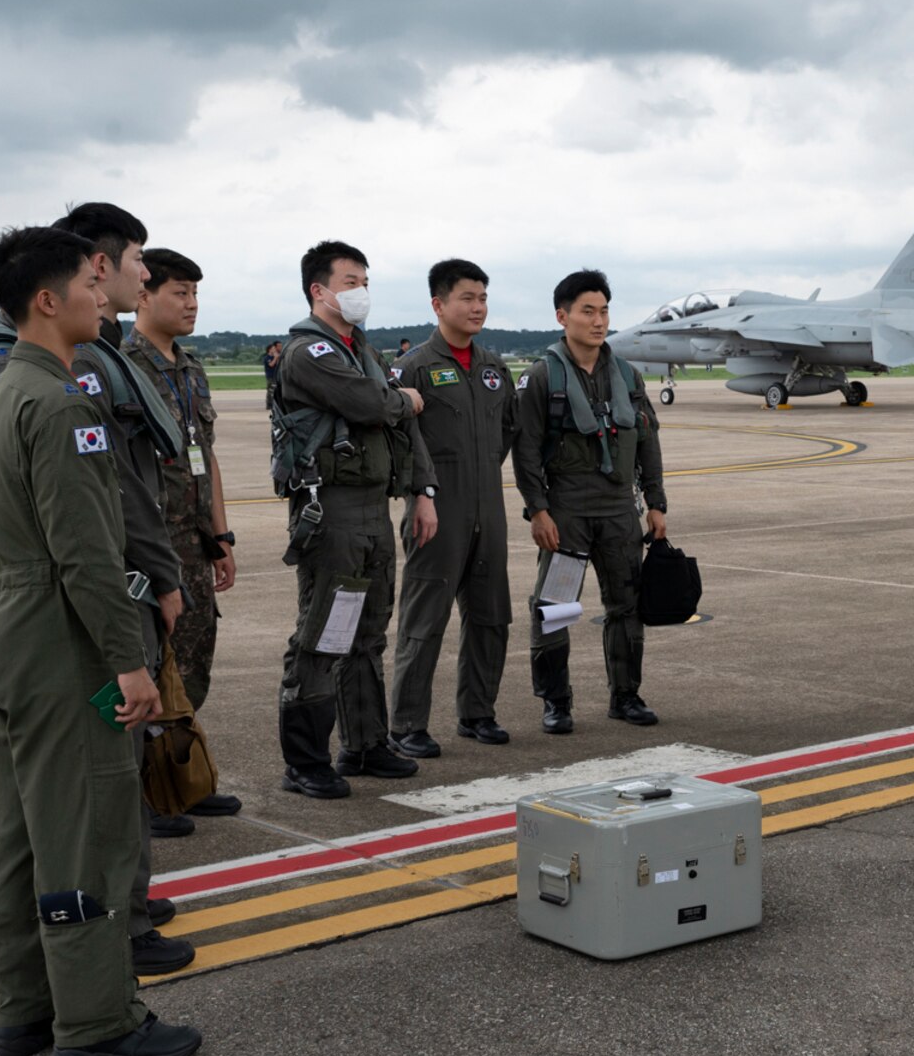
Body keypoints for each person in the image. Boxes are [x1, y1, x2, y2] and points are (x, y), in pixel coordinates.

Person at [0, 224, 201, 1056]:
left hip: (11, 635)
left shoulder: (1, 390)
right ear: (46, 300)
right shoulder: (61, 403)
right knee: (88, 836)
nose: (103, 296)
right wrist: (127, 663)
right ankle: (97, 1022)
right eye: (88, 285)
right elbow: (87, 556)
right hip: (65, 644)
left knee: (26, 837)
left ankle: (22, 1009)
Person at [54, 204, 196, 974]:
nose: (148, 274)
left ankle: (131, 903)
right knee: (101, 775)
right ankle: (118, 928)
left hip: (132, 582)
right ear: (99, 267)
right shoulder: (58, 373)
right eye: (140, 259)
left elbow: (137, 485)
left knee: (125, 761)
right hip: (96, 600)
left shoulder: (101, 357)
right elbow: (93, 509)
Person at [274, 241, 433, 797]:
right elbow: (372, 405)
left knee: (367, 632)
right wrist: (403, 398)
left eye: (364, 280)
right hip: (333, 510)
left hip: (371, 509)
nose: (360, 291)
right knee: (323, 634)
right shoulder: (307, 353)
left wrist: (423, 489)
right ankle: (305, 760)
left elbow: (387, 411)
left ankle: (365, 744)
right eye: (348, 281)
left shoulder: (359, 349)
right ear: (318, 291)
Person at [514, 269, 667, 734]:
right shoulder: (543, 377)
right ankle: (556, 702)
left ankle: (626, 695)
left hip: (620, 510)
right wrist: (538, 510)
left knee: (627, 605)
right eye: (588, 311)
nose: (598, 321)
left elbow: (647, 441)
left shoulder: (626, 374)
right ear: (562, 316)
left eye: (603, 311)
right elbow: (525, 451)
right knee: (557, 607)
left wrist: (656, 502)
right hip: (567, 513)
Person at [123, 247, 243, 817]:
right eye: (180, 292)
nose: (192, 303)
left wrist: (221, 536)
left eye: (196, 293)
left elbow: (206, 456)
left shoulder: (190, 368)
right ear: (143, 294)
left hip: (193, 544)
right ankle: (146, 798)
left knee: (192, 667)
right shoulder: (123, 367)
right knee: (149, 669)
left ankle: (183, 778)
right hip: (150, 549)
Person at [388, 259, 520, 756]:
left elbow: (509, 428)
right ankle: (406, 725)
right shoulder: (412, 368)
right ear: (438, 304)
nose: (478, 307)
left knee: (491, 617)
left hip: (489, 505)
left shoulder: (493, 367)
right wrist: (423, 490)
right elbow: (400, 438)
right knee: (424, 620)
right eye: (467, 298)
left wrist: (481, 469)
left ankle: (477, 713)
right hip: (435, 510)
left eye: (483, 297)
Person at [262, 339, 283, 411]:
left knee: (276, 391)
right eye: (273, 349)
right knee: (270, 391)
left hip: (275, 376)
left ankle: (275, 404)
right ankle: (269, 404)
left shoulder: (273, 357)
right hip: (270, 376)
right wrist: (276, 357)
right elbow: (271, 364)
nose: (274, 350)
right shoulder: (267, 358)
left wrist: (277, 358)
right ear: (269, 350)